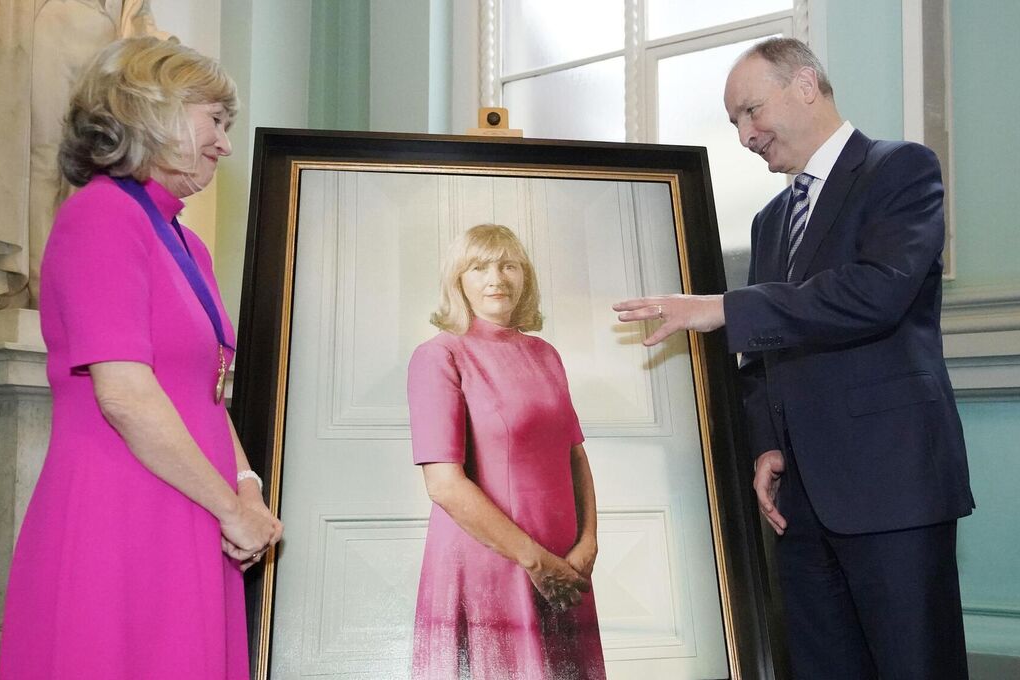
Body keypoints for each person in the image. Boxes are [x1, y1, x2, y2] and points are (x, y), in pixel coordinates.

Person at [614, 38, 974, 680]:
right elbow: (765, 358)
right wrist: (766, 446)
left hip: (892, 487)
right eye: (734, 124)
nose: (746, 135)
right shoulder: (771, 220)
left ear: (805, 85)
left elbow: (877, 293)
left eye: (752, 112)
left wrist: (726, 306)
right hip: (799, 502)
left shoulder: (901, 169)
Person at [0, 37, 282, 679]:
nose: (225, 144)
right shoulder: (99, 216)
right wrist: (229, 506)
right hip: (120, 514)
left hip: (190, 503)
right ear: (152, 110)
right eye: (216, 119)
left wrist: (247, 489)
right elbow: (125, 395)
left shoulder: (188, 243)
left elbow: (205, 391)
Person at [407, 224, 606, 679]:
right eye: (479, 267)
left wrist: (587, 543)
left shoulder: (546, 354)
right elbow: (443, 485)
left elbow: (575, 455)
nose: (496, 277)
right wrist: (535, 560)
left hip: (566, 563)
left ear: (525, 277)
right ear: (458, 281)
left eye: (508, 264)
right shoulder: (440, 356)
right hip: (492, 562)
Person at [0, 0, 167, 311]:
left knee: (96, 176)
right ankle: (42, 297)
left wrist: (162, 52)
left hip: (106, 48)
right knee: (42, 168)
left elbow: (138, 13)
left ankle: (79, 292)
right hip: (45, 34)